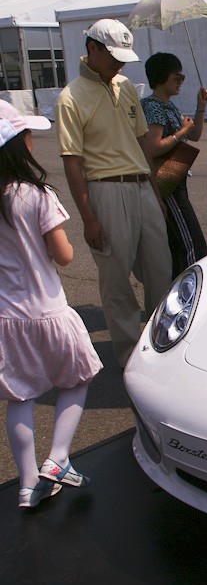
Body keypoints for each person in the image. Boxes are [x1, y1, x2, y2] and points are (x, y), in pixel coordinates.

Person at [0, 100, 102, 508]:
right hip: (48, 310)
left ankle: (27, 484)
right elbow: (63, 256)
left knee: (19, 397)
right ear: (17, 145)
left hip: (7, 316)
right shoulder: (37, 195)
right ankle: (58, 458)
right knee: (78, 379)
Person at [55, 19, 171, 369]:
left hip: (141, 188)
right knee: (117, 279)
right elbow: (72, 162)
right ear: (93, 48)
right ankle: (129, 358)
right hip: (104, 191)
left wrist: (157, 193)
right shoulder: (70, 98)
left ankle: (162, 347)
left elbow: (141, 145)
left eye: (123, 58)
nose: (119, 64)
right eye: (113, 57)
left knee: (160, 271)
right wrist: (88, 217)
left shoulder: (125, 86)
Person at [141, 52, 207, 280]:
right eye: (177, 76)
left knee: (179, 244)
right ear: (162, 76)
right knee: (193, 244)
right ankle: (194, 292)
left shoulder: (167, 106)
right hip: (166, 183)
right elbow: (153, 147)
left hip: (174, 179)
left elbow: (196, 134)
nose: (181, 81)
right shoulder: (153, 107)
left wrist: (200, 108)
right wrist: (182, 132)